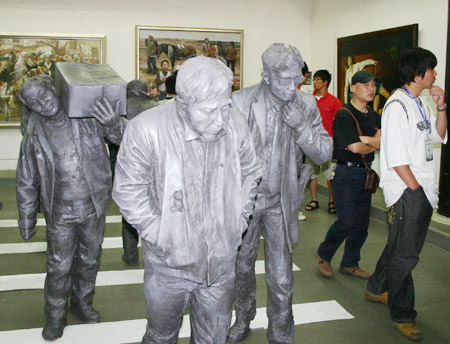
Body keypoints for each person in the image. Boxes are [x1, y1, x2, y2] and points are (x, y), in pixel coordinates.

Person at [112, 56, 261, 344]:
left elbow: (251, 173)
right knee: (161, 336)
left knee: (213, 338)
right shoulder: (146, 129)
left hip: (220, 264)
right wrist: (161, 232)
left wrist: (238, 220)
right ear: (182, 103)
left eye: (224, 108)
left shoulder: (236, 125)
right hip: (169, 266)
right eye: (208, 111)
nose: (219, 120)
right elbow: (128, 190)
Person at [228, 43, 332, 344]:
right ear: (266, 75)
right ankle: (243, 318)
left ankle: (282, 334)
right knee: (241, 270)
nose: (293, 86)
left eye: (297, 78)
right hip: (244, 204)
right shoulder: (240, 102)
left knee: (282, 277)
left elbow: (324, 152)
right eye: (285, 79)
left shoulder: (305, 105)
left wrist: (301, 128)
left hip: (280, 203)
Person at [16, 75, 126, 341]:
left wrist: (112, 122)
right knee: (59, 266)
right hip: (60, 211)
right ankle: (55, 316)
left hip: (93, 206)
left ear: (55, 90)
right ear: (29, 107)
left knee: (90, 260)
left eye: (44, 95)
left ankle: (82, 304)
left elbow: (125, 138)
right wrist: (27, 219)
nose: (42, 103)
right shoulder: (33, 135)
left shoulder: (84, 117)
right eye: (34, 102)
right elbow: (26, 180)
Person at [366, 47, 447, 341]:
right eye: (431, 69)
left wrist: (441, 106)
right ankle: (402, 313)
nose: (435, 74)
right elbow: (398, 159)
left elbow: (438, 136)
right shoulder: (396, 106)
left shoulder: (421, 103)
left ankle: (376, 286)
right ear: (417, 73)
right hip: (408, 189)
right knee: (407, 255)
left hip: (422, 187)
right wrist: (414, 191)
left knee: (399, 245)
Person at [316, 70, 381, 280]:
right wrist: (372, 143)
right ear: (353, 88)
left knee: (362, 224)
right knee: (346, 220)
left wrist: (367, 141)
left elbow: (382, 141)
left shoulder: (372, 115)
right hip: (346, 173)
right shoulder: (344, 114)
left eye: (373, 85)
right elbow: (354, 148)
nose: (371, 89)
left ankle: (350, 263)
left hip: (366, 173)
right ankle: (324, 254)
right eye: (366, 85)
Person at [107, 79, 158, 266]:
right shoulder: (155, 107)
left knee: (128, 210)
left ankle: (130, 255)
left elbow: (109, 136)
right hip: (151, 166)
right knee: (153, 209)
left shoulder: (120, 108)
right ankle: (152, 255)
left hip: (124, 166)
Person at [305, 70, 342, 214]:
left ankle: (332, 200)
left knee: (330, 174)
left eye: (318, 79)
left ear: (325, 82)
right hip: (311, 141)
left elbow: (339, 122)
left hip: (328, 141)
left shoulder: (334, 101)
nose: (315, 82)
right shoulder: (309, 99)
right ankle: (314, 199)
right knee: (312, 172)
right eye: (314, 79)